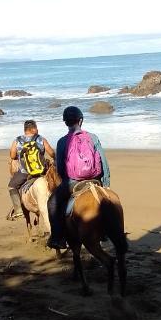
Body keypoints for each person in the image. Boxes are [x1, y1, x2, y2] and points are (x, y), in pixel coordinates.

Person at [47, 105, 110, 249]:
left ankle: (58, 238)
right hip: (95, 180)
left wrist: (65, 181)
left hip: (73, 182)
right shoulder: (93, 137)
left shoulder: (62, 141)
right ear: (80, 121)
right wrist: (106, 184)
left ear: (65, 122)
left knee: (52, 203)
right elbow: (104, 163)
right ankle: (105, 231)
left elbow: (61, 169)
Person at [7, 119, 55, 220]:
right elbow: (52, 153)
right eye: (36, 127)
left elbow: (12, 155)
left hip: (25, 173)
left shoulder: (17, 141)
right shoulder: (41, 139)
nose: (37, 129)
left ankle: (18, 210)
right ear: (32, 129)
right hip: (42, 171)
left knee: (11, 186)